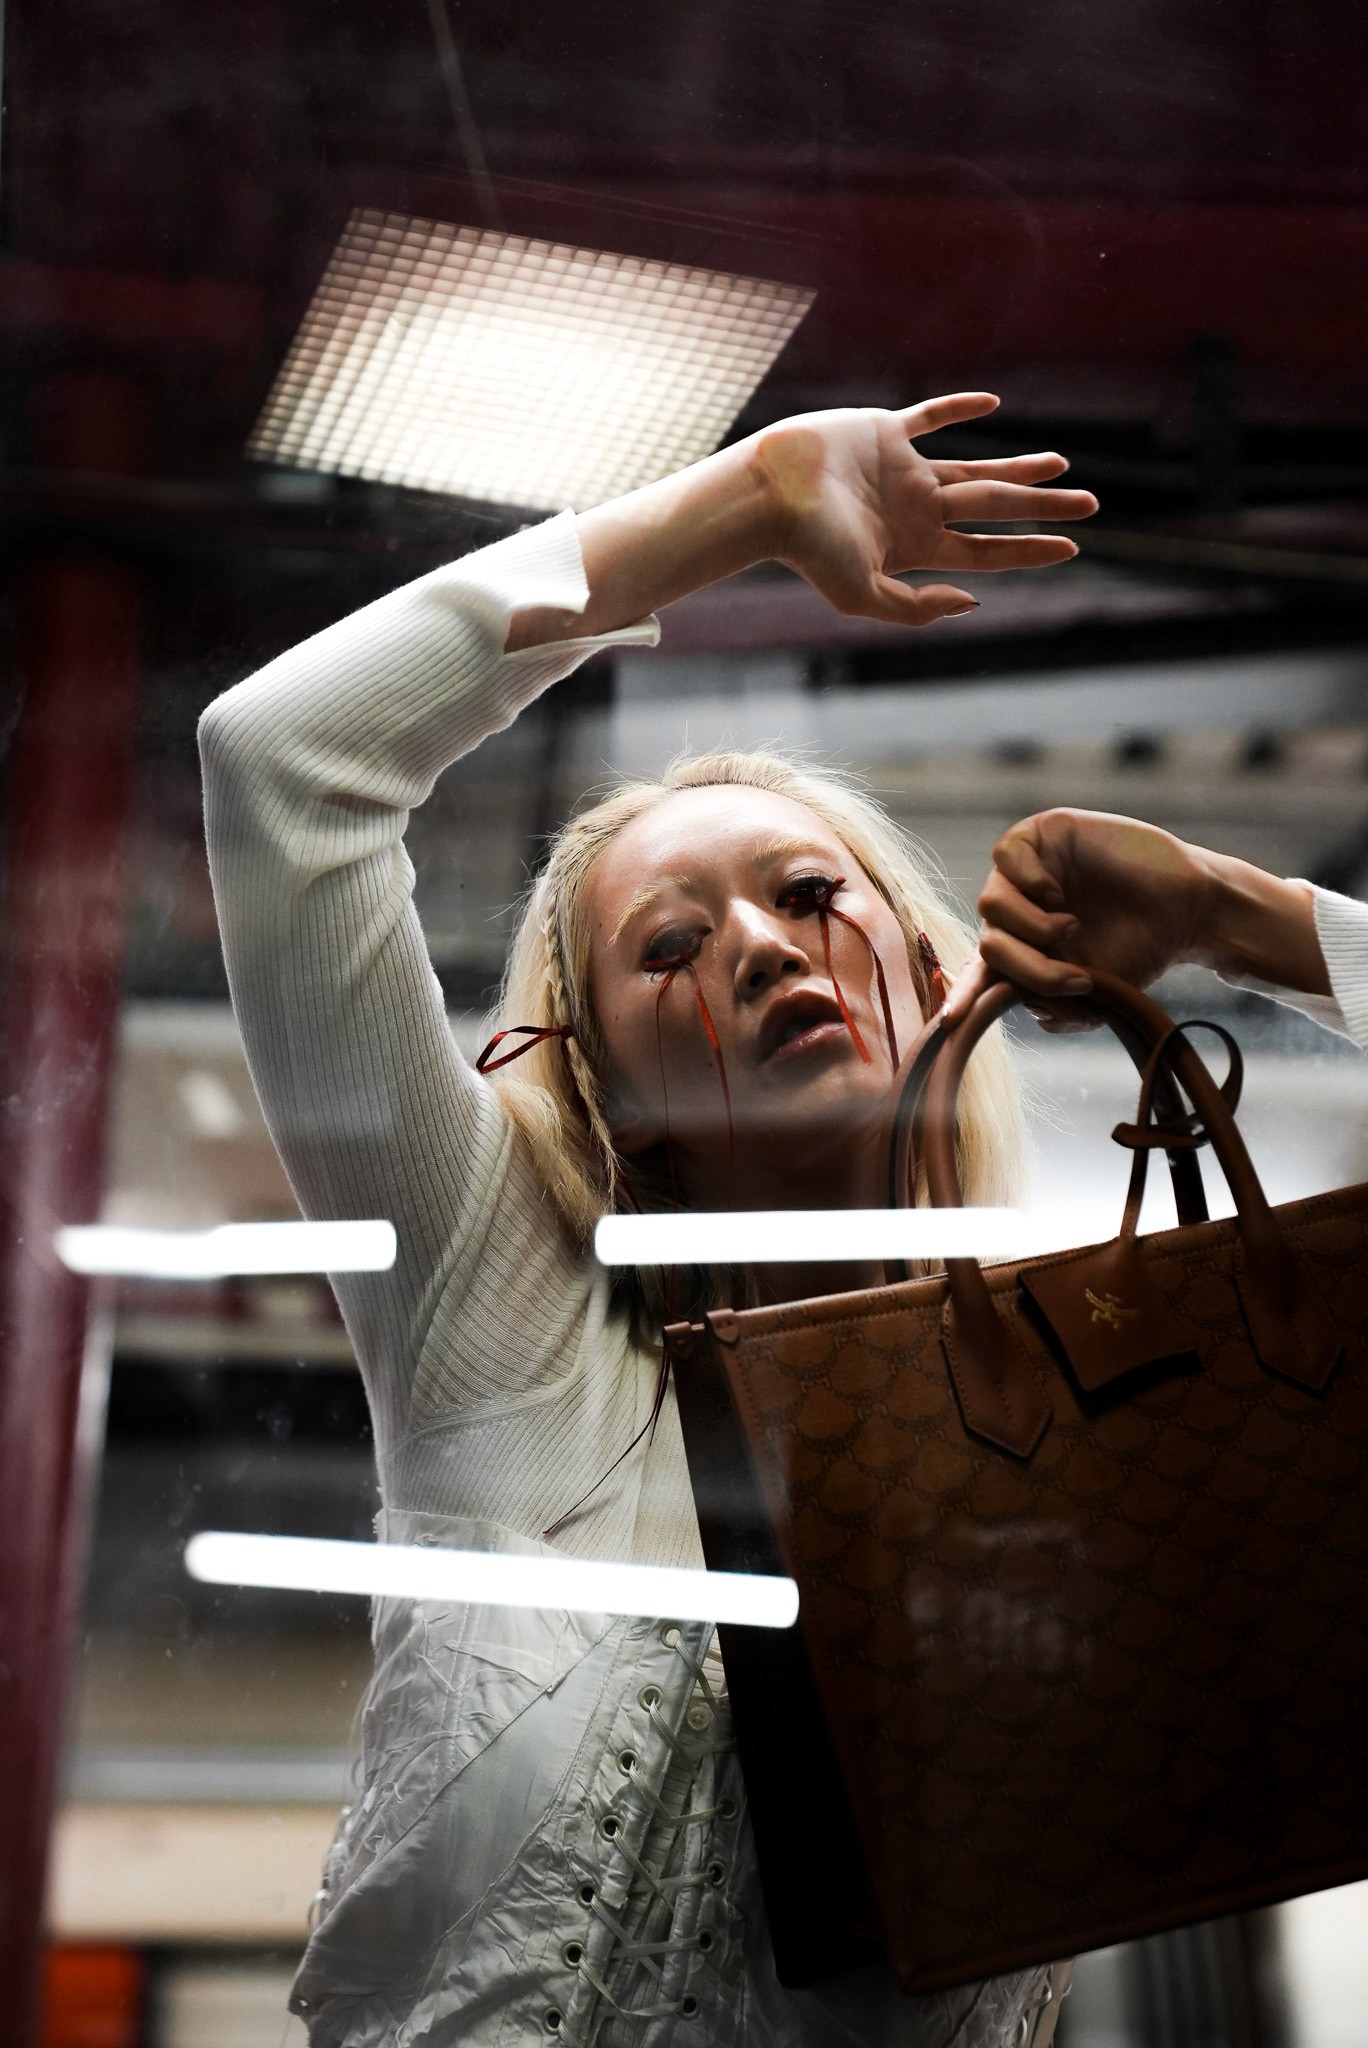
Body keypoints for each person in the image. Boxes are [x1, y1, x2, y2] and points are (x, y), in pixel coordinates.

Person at [200, 392, 1366, 2046]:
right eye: (668, 949)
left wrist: (1239, 919)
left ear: (934, 970)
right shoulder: (507, 1328)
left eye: (813, 896)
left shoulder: (1093, 1405)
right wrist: (746, 500)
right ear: (600, 1087)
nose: (757, 945)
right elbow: (281, 768)